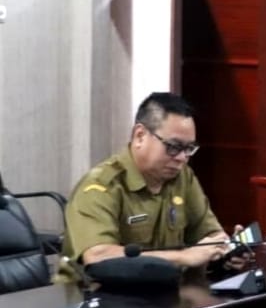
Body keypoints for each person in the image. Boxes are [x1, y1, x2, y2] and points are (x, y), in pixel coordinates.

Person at [58, 92, 247, 282]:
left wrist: (225, 251)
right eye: (173, 146)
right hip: (96, 293)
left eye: (189, 149)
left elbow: (211, 234)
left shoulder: (182, 177)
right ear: (140, 136)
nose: (182, 158)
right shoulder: (100, 186)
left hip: (161, 291)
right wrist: (183, 257)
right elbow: (98, 256)